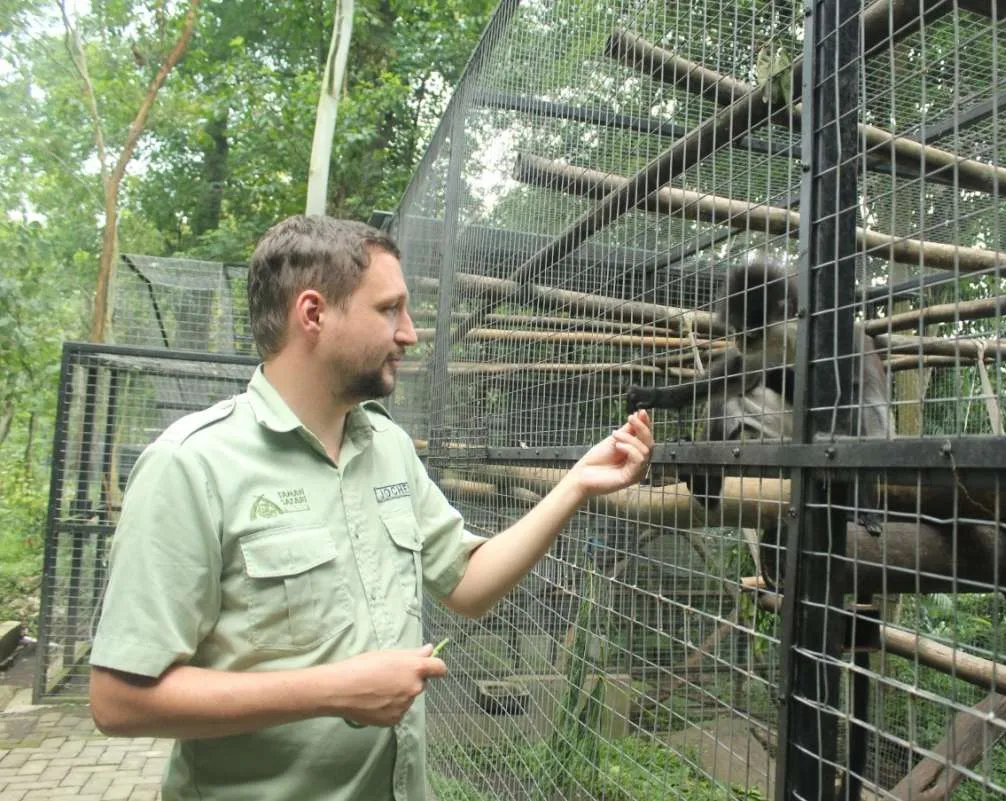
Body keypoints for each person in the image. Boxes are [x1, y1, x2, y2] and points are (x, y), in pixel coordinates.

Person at [87, 215, 655, 801]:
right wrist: (334, 690)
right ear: (313, 314)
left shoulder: (387, 445)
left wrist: (575, 486)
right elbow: (119, 701)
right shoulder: (191, 465)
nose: (409, 333)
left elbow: (467, 583)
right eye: (389, 309)